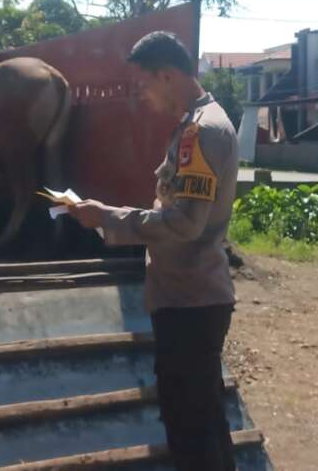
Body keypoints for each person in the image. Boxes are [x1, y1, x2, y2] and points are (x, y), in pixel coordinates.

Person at [68, 31, 239, 471]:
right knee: (203, 420)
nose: (142, 96)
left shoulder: (201, 132)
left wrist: (107, 216)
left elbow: (184, 223)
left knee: (191, 429)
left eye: (143, 85)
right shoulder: (196, 124)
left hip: (190, 302)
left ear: (166, 76)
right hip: (188, 297)